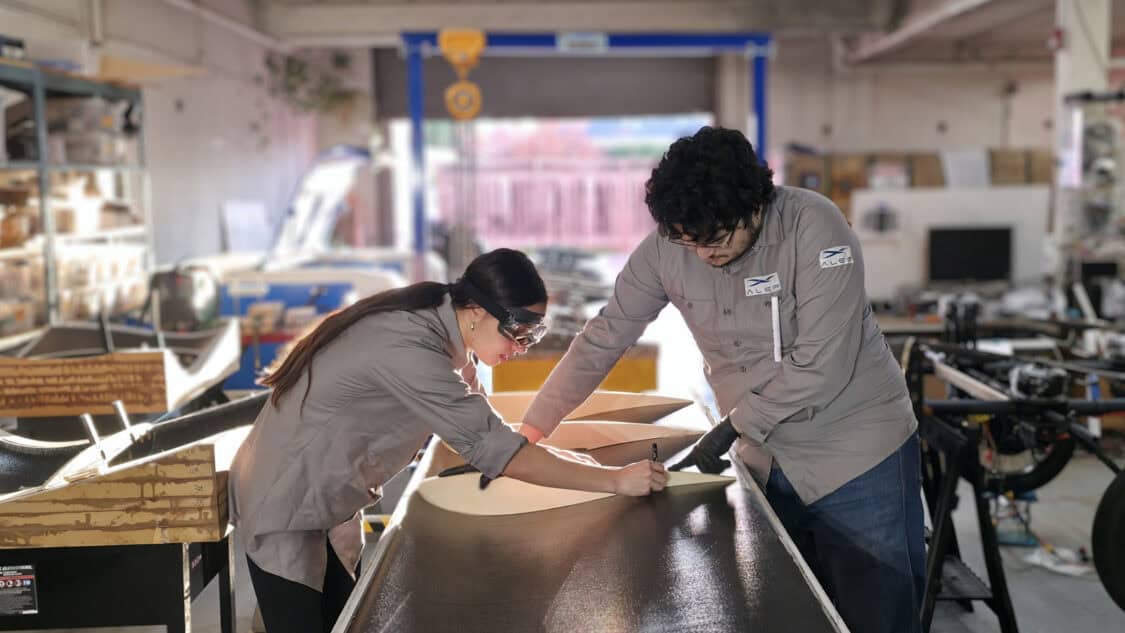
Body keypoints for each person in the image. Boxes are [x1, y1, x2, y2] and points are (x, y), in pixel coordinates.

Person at [519, 127, 925, 633]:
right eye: (688, 242)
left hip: (857, 453)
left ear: (756, 203)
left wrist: (732, 426)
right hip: (768, 460)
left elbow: (823, 363)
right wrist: (528, 433)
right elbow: (604, 337)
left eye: (715, 240)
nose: (702, 255)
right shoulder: (670, 248)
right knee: (795, 609)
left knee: (876, 610)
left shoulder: (815, 227)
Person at [228, 248, 668, 633]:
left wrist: (593, 469)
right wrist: (614, 481)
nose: (520, 348)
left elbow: (493, 436)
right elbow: (497, 450)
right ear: (477, 311)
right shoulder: (411, 350)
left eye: (529, 336)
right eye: (516, 332)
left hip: (322, 501)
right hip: (285, 501)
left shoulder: (446, 331)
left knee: (348, 621)